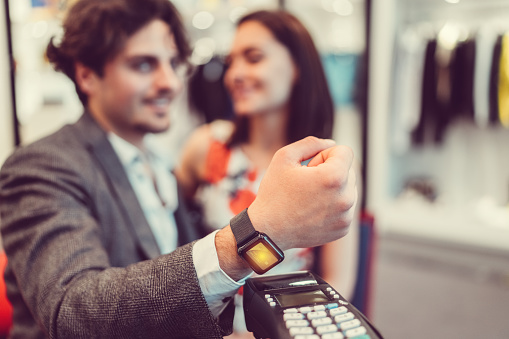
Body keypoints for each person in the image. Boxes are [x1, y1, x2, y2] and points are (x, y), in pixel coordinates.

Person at [0, 1, 357, 338]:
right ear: (87, 74)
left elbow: (172, 296)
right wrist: (256, 232)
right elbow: (72, 313)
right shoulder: (42, 167)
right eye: (143, 64)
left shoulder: (159, 164)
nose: (170, 83)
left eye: (173, 64)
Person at [176, 10, 360, 336]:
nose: (235, 74)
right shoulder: (206, 146)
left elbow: (337, 279)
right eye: (232, 61)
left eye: (254, 58)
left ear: (297, 67)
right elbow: (167, 235)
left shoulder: (325, 168)